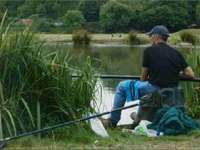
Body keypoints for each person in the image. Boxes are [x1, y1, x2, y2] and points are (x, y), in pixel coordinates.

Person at [101, 25, 194, 128]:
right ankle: (139, 118)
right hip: (173, 90)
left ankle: (112, 121)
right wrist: (173, 73)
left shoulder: (149, 51)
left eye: (150, 36)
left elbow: (143, 78)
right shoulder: (176, 53)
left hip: (156, 89)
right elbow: (191, 74)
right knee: (144, 91)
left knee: (122, 86)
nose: (150, 38)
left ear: (156, 36)